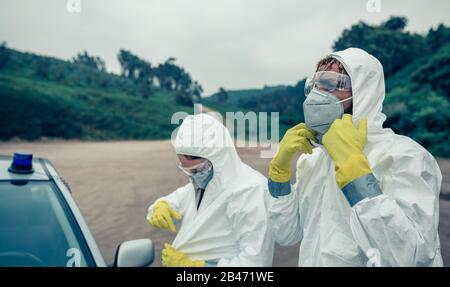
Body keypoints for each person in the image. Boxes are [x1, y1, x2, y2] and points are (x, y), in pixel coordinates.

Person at [267, 47, 443, 267]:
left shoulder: (405, 157)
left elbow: (412, 257)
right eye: (316, 85)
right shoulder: (312, 160)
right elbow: (287, 234)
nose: (317, 94)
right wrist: (279, 173)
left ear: (363, 92)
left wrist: (355, 172)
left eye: (331, 84)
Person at [147, 113, 274, 267]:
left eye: (197, 170)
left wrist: (199, 267)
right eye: (189, 172)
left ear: (218, 157)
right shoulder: (207, 183)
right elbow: (178, 199)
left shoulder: (251, 191)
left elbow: (255, 263)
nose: (194, 177)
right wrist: (161, 206)